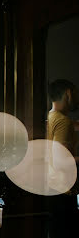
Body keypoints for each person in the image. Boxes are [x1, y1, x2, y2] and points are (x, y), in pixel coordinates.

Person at [46, 79, 79, 238]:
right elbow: (60, 161)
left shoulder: (51, 117)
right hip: (64, 191)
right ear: (68, 93)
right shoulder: (63, 122)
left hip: (53, 188)